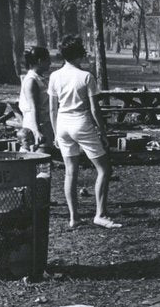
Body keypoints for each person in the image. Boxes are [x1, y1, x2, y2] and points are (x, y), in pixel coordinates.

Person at [47, 35, 121, 229]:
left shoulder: (54, 76)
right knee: (104, 169)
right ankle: (100, 214)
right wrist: (103, 133)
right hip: (81, 122)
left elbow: (52, 109)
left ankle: (73, 217)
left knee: (71, 172)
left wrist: (55, 133)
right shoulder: (86, 76)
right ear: (79, 55)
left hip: (62, 124)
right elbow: (95, 110)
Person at [17, 46, 54, 153]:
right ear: (39, 61)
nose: (50, 63)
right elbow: (34, 108)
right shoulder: (31, 81)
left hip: (44, 123)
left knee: (44, 161)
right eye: (48, 60)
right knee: (38, 159)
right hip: (36, 124)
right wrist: (37, 131)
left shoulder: (40, 78)